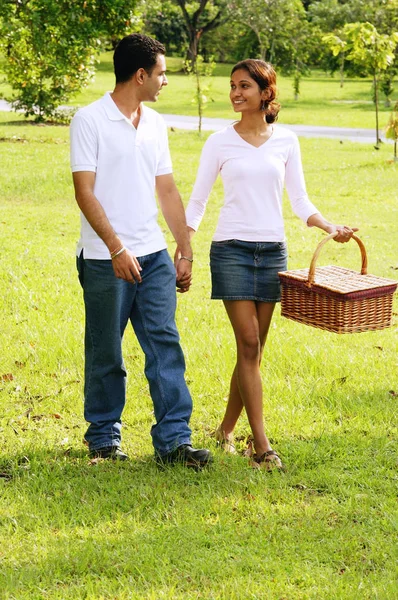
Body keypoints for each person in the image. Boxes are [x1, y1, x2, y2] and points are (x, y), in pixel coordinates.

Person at [184, 59, 357, 471]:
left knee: (254, 353)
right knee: (247, 343)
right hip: (231, 250)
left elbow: (299, 200)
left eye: (244, 86)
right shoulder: (219, 142)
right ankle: (261, 446)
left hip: (273, 253)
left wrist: (328, 225)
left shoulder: (287, 141)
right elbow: (198, 200)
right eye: (232, 86)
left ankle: (225, 430)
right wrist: (183, 247)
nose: (235, 93)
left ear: (266, 92)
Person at [69, 33, 211, 468]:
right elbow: (84, 191)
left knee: (165, 346)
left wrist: (183, 249)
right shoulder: (89, 119)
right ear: (140, 74)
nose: (165, 81)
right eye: (162, 73)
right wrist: (116, 248)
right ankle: (104, 439)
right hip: (103, 259)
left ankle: (174, 443)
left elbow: (166, 188)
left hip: (153, 256)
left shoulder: (153, 123)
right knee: (106, 349)